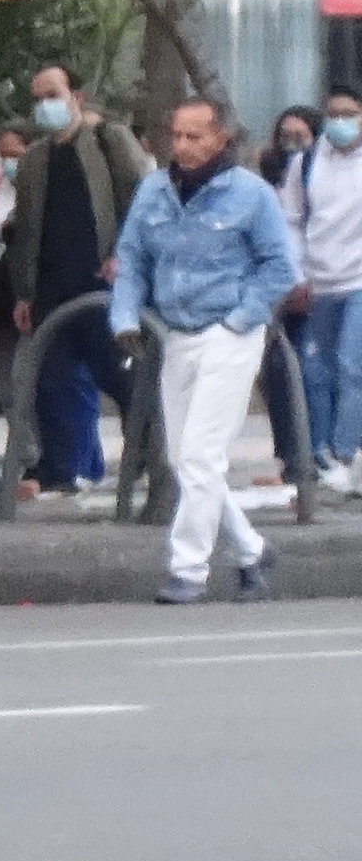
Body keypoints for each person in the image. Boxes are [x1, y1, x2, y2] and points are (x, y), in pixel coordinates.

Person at [115, 96, 295, 603]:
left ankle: (188, 569)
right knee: (183, 458)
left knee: (199, 454)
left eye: (194, 136)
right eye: (177, 135)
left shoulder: (251, 195)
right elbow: (131, 258)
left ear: (221, 138)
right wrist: (124, 316)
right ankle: (251, 550)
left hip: (229, 333)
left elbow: (280, 267)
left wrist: (240, 320)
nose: (183, 146)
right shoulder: (153, 190)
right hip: (176, 333)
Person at [2, 62, 143, 499]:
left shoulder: (108, 141)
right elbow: (27, 229)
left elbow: (139, 199)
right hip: (51, 286)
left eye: (53, 95)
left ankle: (146, 451)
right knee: (52, 379)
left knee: (118, 372)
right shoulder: (35, 160)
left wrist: (124, 256)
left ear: (76, 98)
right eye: (38, 98)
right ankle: (61, 470)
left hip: (100, 282)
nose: (45, 106)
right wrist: (24, 292)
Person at [286, 89, 362, 493]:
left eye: (349, 113)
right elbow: (291, 220)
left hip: (358, 282)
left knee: (352, 366)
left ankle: (345, 453)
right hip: (318, 283)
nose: (340, 121)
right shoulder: (306, 163)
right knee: (315, 372)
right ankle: (317, 455)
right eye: (333, 114)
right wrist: (298, 274)